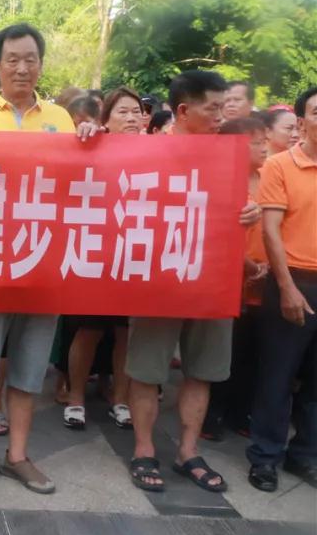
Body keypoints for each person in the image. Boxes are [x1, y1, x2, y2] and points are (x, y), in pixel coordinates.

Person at [0, 23, 100, 496]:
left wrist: (93, 140)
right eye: (13, 59)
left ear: (41, 64)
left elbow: (83, 180)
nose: (22, 67)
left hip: (42, 259)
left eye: (30, 59)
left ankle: (17, 456)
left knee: (29, 367)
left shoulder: (61, 118)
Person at [126, 69, 261, 493]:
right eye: (213, 108)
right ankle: (144, 449)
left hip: (212, 279)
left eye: (225, 107)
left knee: (202, 371)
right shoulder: (145, 152)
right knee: (148, 371)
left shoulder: (229, 156)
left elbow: (234, 211)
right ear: (183, 110)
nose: (222, 116)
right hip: (159, 278)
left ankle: (188, 451)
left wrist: (249, 213)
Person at [247, 86, 317, 492]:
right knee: (278, 375)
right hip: (292, 280)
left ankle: (304, 454)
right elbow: (270, 231)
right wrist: (287, 286)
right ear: (302, 122)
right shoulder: (279, 166)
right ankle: (265, 456)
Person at [62, 88, 142, 431]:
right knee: (89, 329)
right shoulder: (93, 145)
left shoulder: (158, 150)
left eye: (136, 111)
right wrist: (89, 136)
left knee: (125, 332)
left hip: (135, 253)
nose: (131, 117)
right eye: (123, 111)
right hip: (96, 251)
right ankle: (76, 398)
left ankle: (120, 400)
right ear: (106, 119)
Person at [203, 115, 269, 441]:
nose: (264, 148)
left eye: (265, 141)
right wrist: (250, 267)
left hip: (265, 281)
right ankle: (212, 414)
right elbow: (218, 233)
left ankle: (240, 412)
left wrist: (266, 268)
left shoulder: (269, 178)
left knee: (253, 351)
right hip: (231, 279)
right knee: (224, 351)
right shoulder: (221, 180)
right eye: (256, 142)